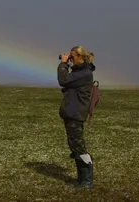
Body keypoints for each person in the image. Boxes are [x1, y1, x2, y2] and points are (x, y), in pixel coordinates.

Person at [58, 45, 95, 189]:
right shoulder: (81, 72)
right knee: (75, 146)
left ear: (80, 57)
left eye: (72, 57)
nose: (71, 60)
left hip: (75, 115)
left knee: (79, 147)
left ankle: (87, 181)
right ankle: (81, 179)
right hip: (72, 114)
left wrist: (63, 63)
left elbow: (63, 79)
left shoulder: (85, 73)